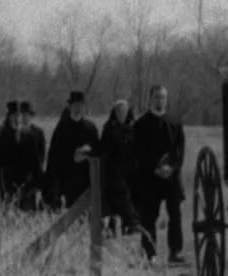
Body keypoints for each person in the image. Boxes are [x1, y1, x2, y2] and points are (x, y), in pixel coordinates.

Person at [131, 85, 186, 264]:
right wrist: (154, 168)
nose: (160, 100)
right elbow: (137, 152)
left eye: (162, 97)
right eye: (156, 97)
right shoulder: (140, 124)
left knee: (175, 215)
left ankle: (175, 252)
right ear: (150, 99)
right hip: (149, 177)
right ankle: (150, 254)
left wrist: (172, 167)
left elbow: (179, 151)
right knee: (148, 216)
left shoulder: (175, 123)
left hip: (171, 177)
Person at [45, 90, 101, 209]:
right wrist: (73, 156)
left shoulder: (90, 128)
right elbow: (53, 158)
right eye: (75, 105)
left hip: (85, 180)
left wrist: (87, 152)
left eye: (80, 105)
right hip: (66, 181)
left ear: (84, 107)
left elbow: (98, 152)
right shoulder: (61, 128)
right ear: (70, 106)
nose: (78, 108)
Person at [97, 98, 142, 237]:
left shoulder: (134, 128)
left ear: (128, 112)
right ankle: (131, 222)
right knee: (120, 195)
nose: (121, 113)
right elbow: (102, 148)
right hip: (114, 169)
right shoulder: (109, 128)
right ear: (115, 113)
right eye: (118, 111)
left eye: (124, 111)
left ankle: (129, 226)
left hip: (131, 169)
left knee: (133, 194)